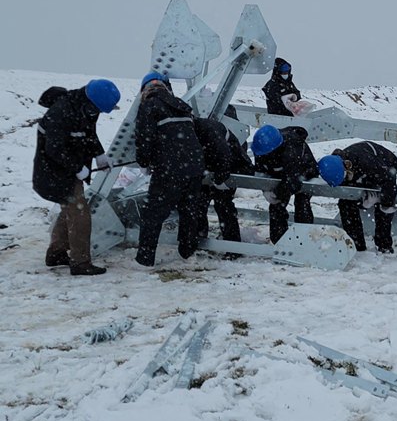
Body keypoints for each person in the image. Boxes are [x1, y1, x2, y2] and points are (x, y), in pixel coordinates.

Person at [32, 79, 121, 276]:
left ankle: (56, 253)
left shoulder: (85, 108)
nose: (98, 113)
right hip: (54, 172)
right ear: (92, 102)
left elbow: (89, 134)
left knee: (69, 209)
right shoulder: (61, 112)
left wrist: (100, 155)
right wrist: (77, 168)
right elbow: (54, 148)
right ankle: (80, 262)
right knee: (80, 214)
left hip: (66, 170)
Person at [134, 72, 205, 266]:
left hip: (170, 167)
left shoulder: (149, 106)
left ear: (145, 89)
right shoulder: (181, 105)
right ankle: (187, 252)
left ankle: (145, 259)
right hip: (195, 166)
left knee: (152, 213)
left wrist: (144, 162)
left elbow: (144, 138)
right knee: (189, 210)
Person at [317, 142, 397, 253]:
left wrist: (384, 202)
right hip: (362, 170)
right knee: (346, 203)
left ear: (347, 166)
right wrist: (362, 202)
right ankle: (356, 245)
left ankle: (384, 245)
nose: (346, 179)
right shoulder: (333, 167)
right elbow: (348, 192)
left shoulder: (368, 164)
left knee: (382, 202)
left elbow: (389, 181)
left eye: (346, 176)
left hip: (387, 163)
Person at [251, 125, 319, 243]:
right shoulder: (261, 148)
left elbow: (293, 182)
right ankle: (280, 242)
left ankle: (304, 240)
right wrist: (266, 189)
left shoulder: (292, 149)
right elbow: (260, 171)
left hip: (304, 171)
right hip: (281, 171)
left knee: (302, 202)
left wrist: (277, 193)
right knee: (276, 206)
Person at [193, 117, 255, 242]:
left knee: (223, 203)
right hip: (208, 166)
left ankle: (232, 243)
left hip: (232, 166)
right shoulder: (188, 130)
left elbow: (224, 156)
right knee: (198, 202)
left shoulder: (209, 130)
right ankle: (199, 238)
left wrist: (219, 179)